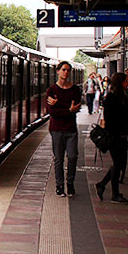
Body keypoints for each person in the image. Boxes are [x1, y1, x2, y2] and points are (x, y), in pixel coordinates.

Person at [94, 72, 128, 204]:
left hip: (120, 136)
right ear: (120, 82)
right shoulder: (113, 98)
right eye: (126, 81)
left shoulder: (119, 97)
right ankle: (115, 194)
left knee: (119, 164)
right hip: (115, 137)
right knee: (118, 164)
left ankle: (102, 185)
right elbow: (118, 119)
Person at [46, 61, 82, 197]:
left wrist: (59, 107)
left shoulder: (75, 90)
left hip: (71, 129)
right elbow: (52, 112)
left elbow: (77, 108)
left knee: (73, 156)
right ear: (58, 71)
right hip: (56, 129)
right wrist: (69, 110)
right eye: (63, 70)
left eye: (68, 70)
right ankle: (59, 186)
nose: (66, 72)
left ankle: (70, 183)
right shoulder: (52, 90)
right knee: (58, 159)